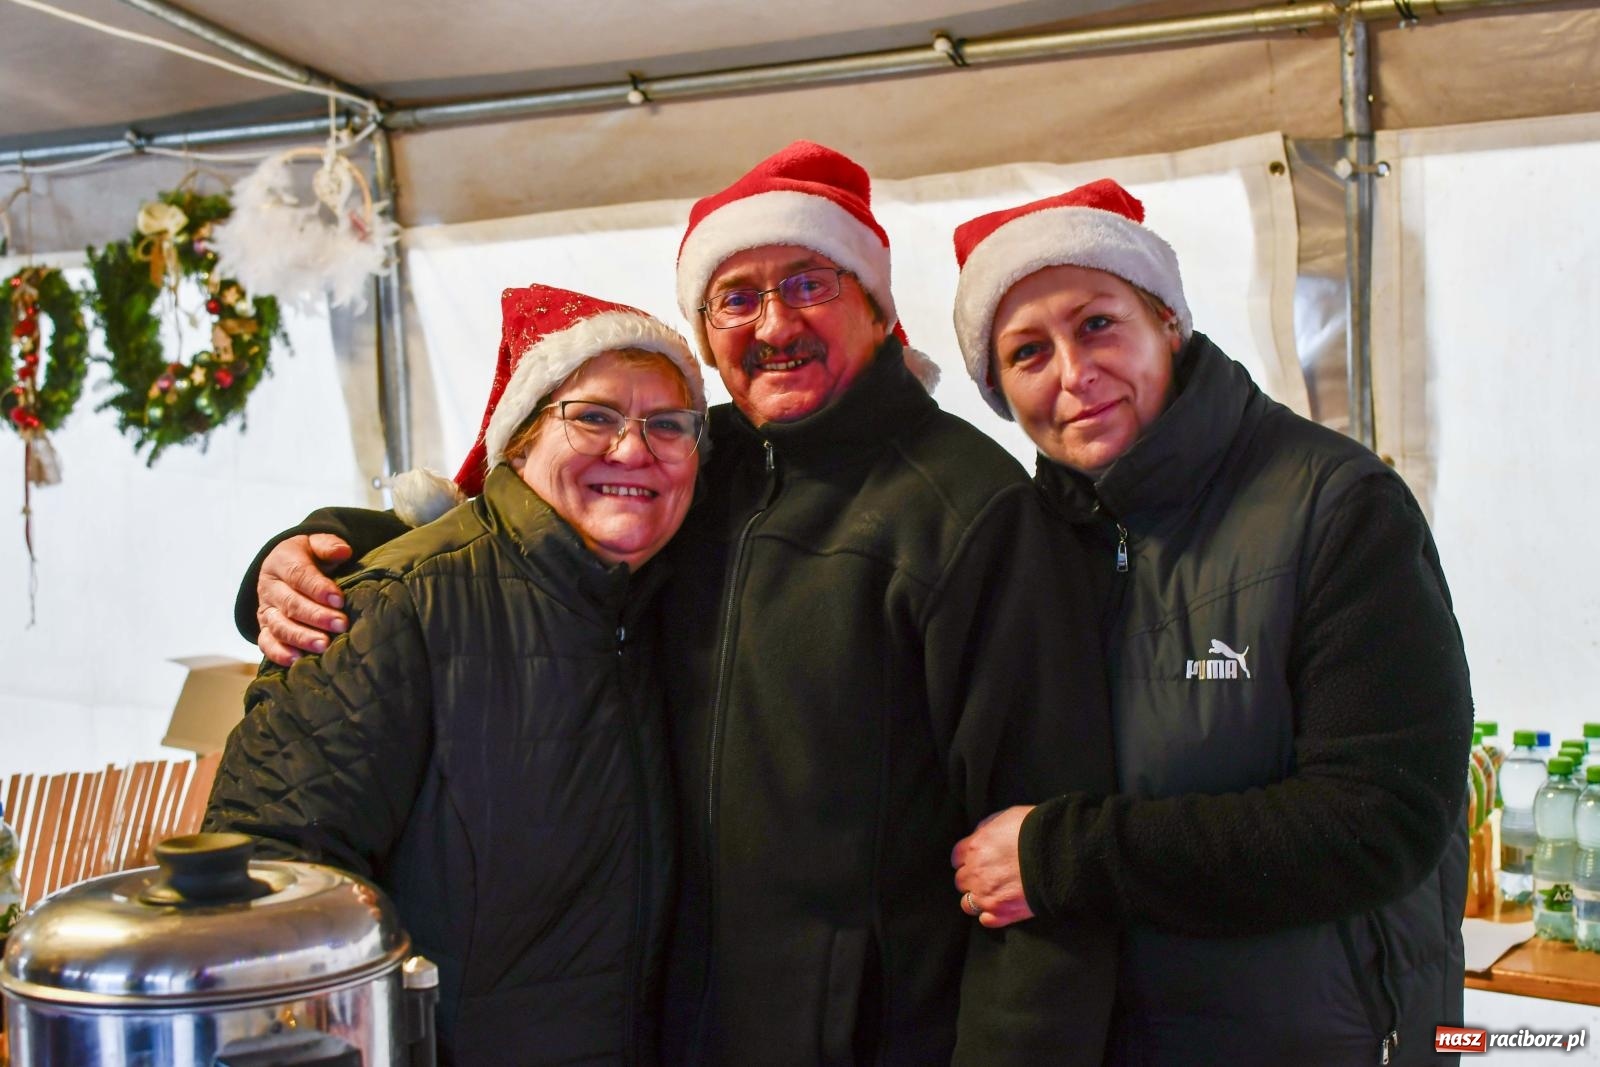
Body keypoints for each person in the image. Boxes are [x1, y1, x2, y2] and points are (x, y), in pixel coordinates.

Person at [234, 143, 1117, 1065]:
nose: (775, 322)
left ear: (876, 304)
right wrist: (315, 550)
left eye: (809, 282)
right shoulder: (689, 461)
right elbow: (500, 533)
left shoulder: (968, 510)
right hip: (663, 1030)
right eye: (737, 297)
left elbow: (1040, 861)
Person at [945, 180, 1472, 1065]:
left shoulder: (1335, 509)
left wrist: (1062, 856)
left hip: (1320, 1037)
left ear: (1168, 322)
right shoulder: (1027, 544)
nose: (1075, 374)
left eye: (1098, 324)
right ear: (998, 391)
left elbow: (1378, 819)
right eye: (1028, 351)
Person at [206, 285, 707, 1066]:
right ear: (518, 441)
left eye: (667, 424)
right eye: (595, 415)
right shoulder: (395, 606)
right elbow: (267, 886)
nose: (633, 449)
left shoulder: (666, 600)